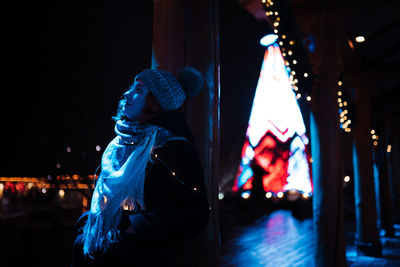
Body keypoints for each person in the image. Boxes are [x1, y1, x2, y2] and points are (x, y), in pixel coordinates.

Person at [72, 67, 210, 267]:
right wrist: (90, 221)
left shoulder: (172, 147)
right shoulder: (123, 143)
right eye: (131, 87)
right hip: (105, 253)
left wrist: (134, 226)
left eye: (138, 89)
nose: (127, 94)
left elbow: (196, 213)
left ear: (157, 103)